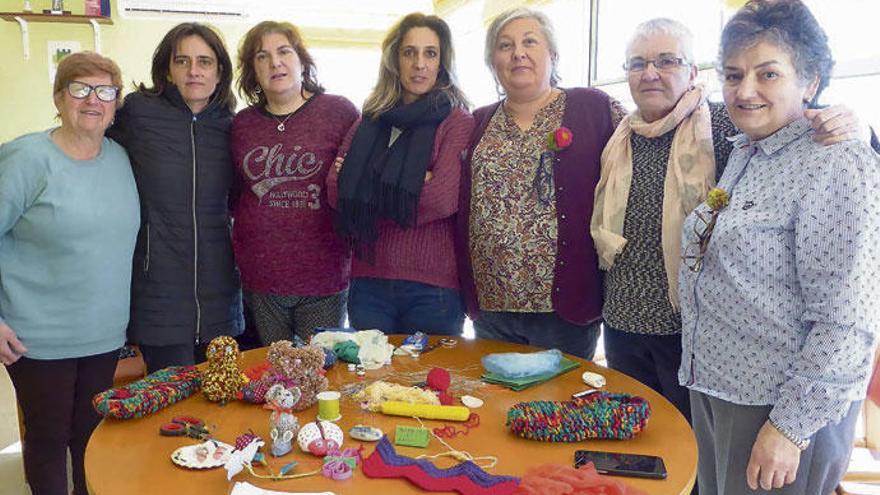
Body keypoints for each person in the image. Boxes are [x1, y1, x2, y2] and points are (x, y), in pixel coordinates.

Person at [591, 18, 870, 423]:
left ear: (692, 72)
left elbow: (799, 125)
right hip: (622, 319)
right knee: (637, 447)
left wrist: (853, 122)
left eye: (666, 61)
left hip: (692, 333)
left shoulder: (727, 123)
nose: (650, 73)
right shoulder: (615, 133)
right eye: (637, 63)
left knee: (695, 459)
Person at [678, 1, 880, 493]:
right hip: (719, 388)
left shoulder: (834, 162)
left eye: (768, 74)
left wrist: (789, 428)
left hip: (777, 408)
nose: (745, 90)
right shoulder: (749, 150)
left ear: (809, 81)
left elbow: (848, 320)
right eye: (733, 74)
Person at [0, 52, 139, 495]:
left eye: (105, 91)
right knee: (47, 440)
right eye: (80, 89)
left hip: (103, 335)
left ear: (117, 103)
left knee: (91, 436)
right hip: (38, 339)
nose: (93, 100)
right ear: (59, 98)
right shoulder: (26, 159)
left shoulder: (120, 158)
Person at [456, 7, 625, 358]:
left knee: (559, 410)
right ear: (492, 62)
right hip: (492, 307)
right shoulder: (477, 122)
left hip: (565, 309)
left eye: (529, 41)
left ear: (553, 54)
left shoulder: (593, 108)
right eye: (505, 46)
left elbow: (637, 158)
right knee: (496, 407)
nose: (518, 52)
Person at [328, 13, 474, 336]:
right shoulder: (370, 119)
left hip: (434, 291)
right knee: (369, 384)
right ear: (395, 60)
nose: (419, 63)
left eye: (430, 53)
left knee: (432, 385)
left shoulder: (456, 122)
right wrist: (407, 184)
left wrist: (364, 180)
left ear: (442, 62)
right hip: (368, 285)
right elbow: (335, 192)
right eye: (409, 52)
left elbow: (441, 198)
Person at [109, 23, 243, 373]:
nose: (194, 71)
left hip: (221, 294)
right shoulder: (137, 113)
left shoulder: (233, 126)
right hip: (159, 292)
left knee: (222, 404)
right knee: (172, 410)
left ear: (220, 71)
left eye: (204, 61)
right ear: (167, 69)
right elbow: (89, 142)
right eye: (182, 61)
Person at [231, 21, 358, 346]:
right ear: (253, 71)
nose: (275, 63)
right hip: (261, 280)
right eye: (262, 56)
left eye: (284, 51)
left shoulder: (339, 111)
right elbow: (234, 195)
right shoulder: (241, 125)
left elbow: (356, 186)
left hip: (324, 280)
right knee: (272, 380)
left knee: (316, 377)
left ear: (302, 60)